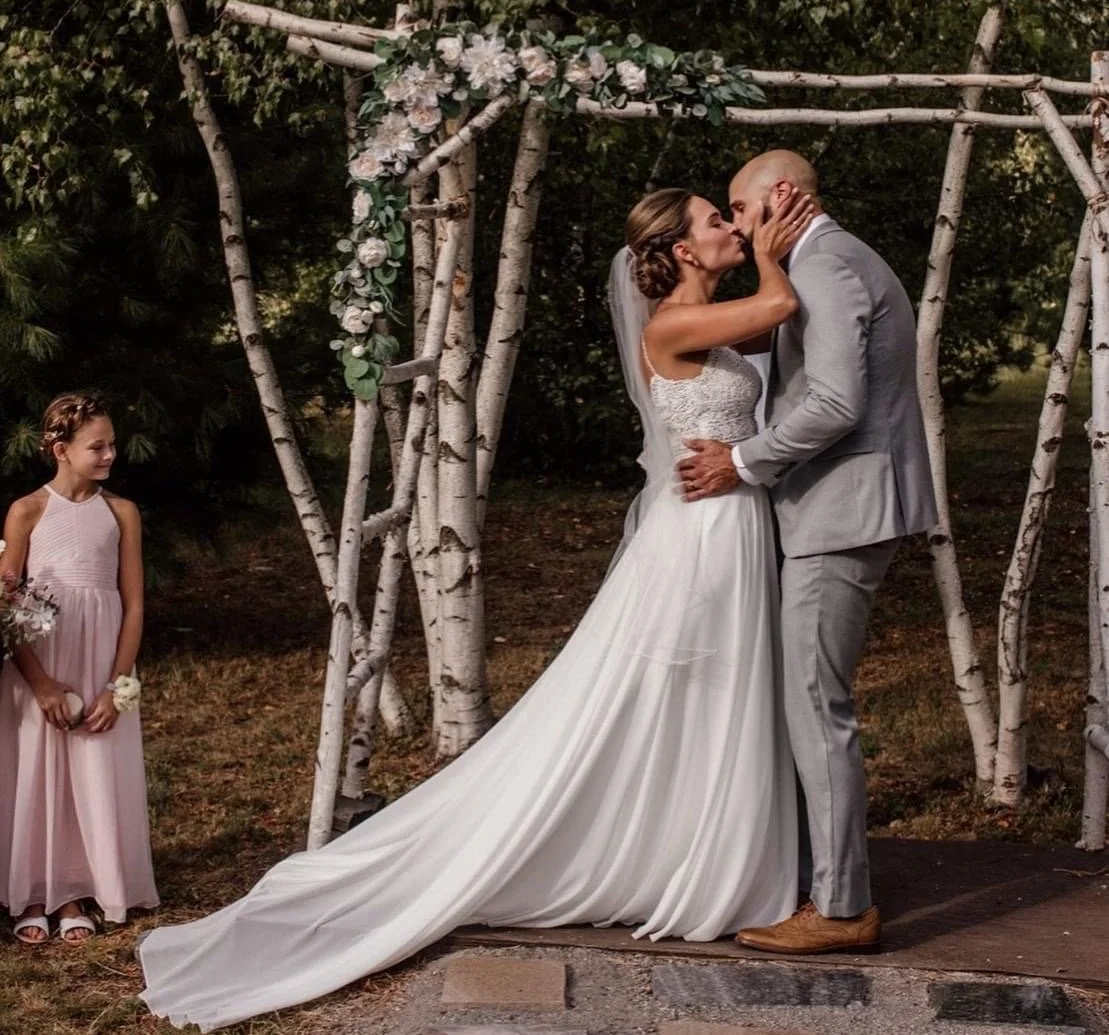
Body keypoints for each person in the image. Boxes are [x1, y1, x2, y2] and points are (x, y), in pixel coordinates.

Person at [137, 186, 813, 1032]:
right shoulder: (669, 326)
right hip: (702, 536)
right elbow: (780, 303)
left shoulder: (707, 317)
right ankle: (686, 853)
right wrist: (777, 245)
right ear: (679, 249)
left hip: (723, 520)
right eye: (719, 220)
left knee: (706, 694)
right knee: (683, 688)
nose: (734, 228)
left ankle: (696, 846)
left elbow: (770, 324)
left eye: (733, 217)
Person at [679, 150, 938, 955]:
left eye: (739, 206)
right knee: (805, 696)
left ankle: (841, 905)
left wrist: (742, 461)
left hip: (842, 513)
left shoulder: (826, 263)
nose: (735, 220)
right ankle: (812, 876)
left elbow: (832, 401)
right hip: (832, 508)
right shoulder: (821, 259)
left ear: (780, 195)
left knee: (814, 703)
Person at [0, 393, 158, 944]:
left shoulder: (121, 513)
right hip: (41, 664)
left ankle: (76, 893)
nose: (111, 453)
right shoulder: (26, 512)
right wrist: (39, 683)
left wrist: (119, 687)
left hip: (100, 660)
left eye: (112, 444)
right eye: (98, 446)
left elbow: (133, 603)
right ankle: (35, 891)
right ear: (60, 449)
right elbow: (5, 603)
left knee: (91, 771)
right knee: (37, 770)